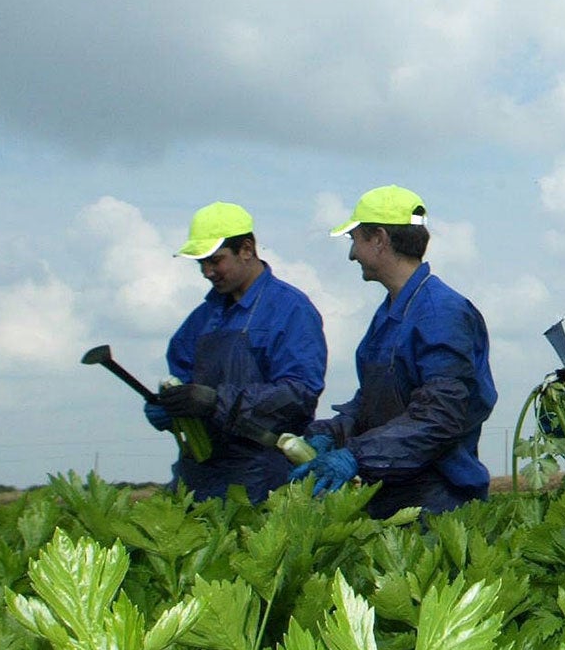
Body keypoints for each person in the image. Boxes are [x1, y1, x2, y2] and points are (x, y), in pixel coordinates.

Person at [289, 186, 498, 518]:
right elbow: (376, 402)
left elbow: (438, 418)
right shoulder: (391, 311)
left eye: (354, 240)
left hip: (438, 500)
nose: (351, 254)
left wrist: (356, 456)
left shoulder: (441, 313)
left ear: (379, 239)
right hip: (390, 493)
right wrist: (332, 432)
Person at [155, 201, 327, 503]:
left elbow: (300, 393)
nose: (207, 272)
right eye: (201, 263)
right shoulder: (200, 319)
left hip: (263, 475)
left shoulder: (290, 309)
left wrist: (215, 401)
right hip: (198, 476)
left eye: (215, 261)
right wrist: (166, 407)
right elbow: (180, 376)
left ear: (246, 249)